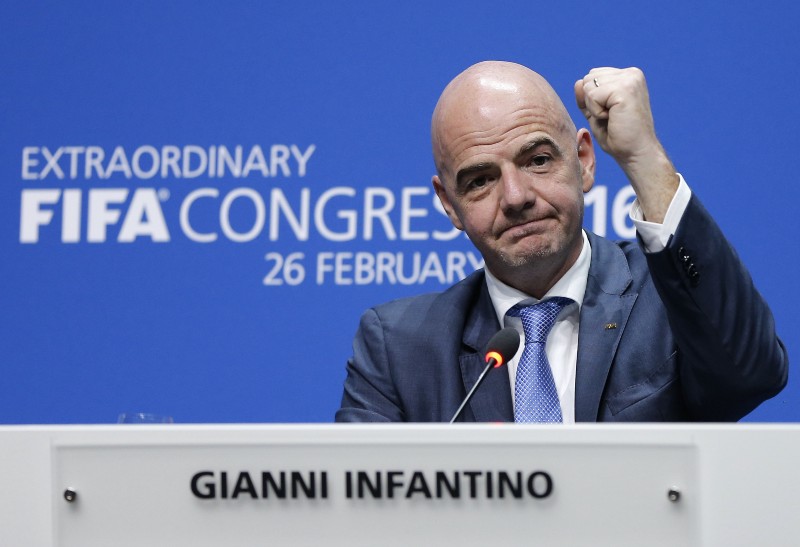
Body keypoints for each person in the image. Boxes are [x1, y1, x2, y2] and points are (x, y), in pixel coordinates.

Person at [335, 61, 788, 423]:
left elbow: (751, 373)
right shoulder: (399, 347)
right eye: (480, 181)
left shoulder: (666, 302)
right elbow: (361, 511)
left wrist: (643, 158)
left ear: (585, 161)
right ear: (449, 205)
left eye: (537, 160)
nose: (515, 197)